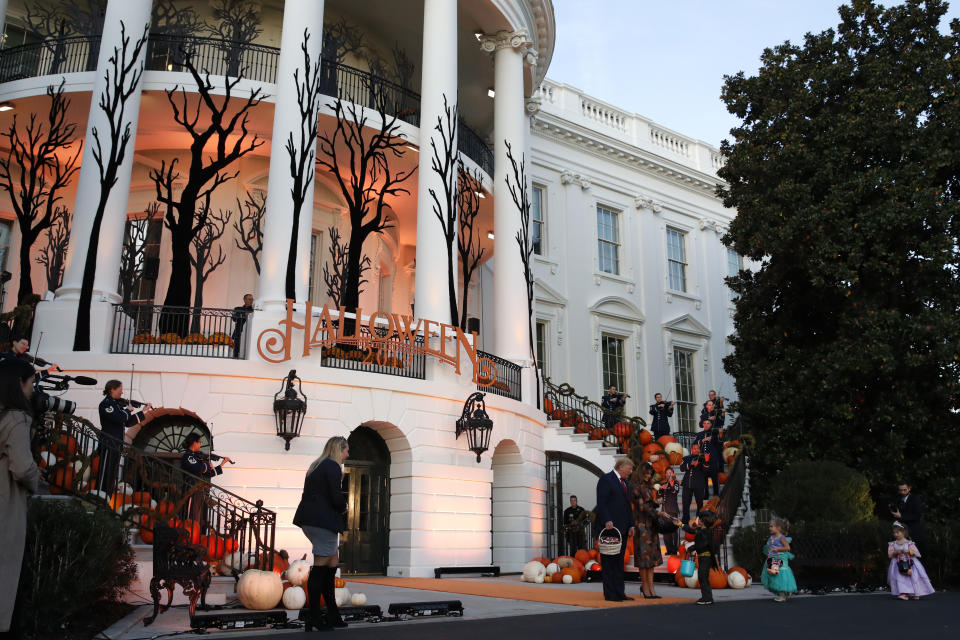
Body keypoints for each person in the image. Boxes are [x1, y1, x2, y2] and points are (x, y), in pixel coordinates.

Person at [0, 359, 41, 634]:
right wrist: (37, 478)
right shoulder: (15, 418)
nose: (32, 389)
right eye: (31, 382)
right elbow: (22, 467)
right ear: (19, 383)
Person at [293, 436, 350, 631]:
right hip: (322, 522)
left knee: (332, 562)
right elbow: (336, 497)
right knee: (321, 567)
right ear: (339, 450)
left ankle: (332, 614)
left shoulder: (316, 465)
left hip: (310, 520)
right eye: (346, 451)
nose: (347, 455)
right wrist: (345, 507)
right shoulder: (333, 466)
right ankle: (314, 618)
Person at [98, 380, 152, 495]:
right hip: (108, 443)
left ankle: (106, 496)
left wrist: (143, 412)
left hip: (116, 444)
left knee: (112, 473)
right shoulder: (107, 404)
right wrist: (128, 409)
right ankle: (100, 495)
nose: (122, 393)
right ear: (112, 389)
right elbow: (119, 418)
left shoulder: (116, 405)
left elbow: (127, 422)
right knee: (105, 472)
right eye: (120, 390)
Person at [595, 456, 636, 602]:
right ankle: (610, 594)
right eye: (629, 469)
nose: (630, 472)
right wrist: (607, 520)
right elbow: (602, 502)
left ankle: (620, 593)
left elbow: (628, 507)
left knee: (619, 563)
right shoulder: (606, 479)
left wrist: (631, 524)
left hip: (623, 529)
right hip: (611, 529)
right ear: (621, 467)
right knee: (609, 563)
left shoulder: (625, 484)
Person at [180, 433, 233, 523]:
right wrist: (207, 464)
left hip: (197, 490)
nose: (200, 445)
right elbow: (198, 468)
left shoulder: (196, 457)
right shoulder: (188, 456)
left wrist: (222, 463)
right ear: (194, 443)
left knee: (196, 516)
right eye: (199, 442)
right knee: (190, 516)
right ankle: (188, 534)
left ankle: (193, 533)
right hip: (191, 489)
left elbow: (208, 473)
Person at [630, 461, 662, 598]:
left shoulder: (648, 487)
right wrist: (658, 512)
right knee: (643, 560)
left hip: (651, 525)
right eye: (647, 473)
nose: (648, 476)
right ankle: (646, 588)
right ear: (641, 473)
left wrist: (656, 503)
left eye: (650, 474)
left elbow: (648, 504)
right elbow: (642, 507)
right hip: (641, 527)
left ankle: (651, 588)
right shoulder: (636, 487)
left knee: (651, 560)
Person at [678, 510, 720, 605]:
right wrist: (680, 524)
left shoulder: (706, 532)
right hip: (702, 557)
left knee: (702, 577)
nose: (698, 521)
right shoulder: (701, 530)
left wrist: (692, 547)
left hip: (706, 557)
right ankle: (707, 597)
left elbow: (702, 544)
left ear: (704, 521)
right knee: (703, 577)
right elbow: (691, 531)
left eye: (700, 520)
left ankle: (707, 598)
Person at [887, 521, 934, 600]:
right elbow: (890, 554)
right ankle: (904, 593)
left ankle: (916, 592)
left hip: (910, 563)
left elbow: (917, 553)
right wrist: (896, 552)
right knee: (901, 578)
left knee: (913, 578)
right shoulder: (893, 544)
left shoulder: (909, 543)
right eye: (894, 533)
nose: (895, 534)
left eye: (898, 532)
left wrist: (909, 551)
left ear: (904, 532)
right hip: (898, 564)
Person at [761, 516, 797, 602]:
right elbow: (770, 547)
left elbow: (787, 548)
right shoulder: (771, 537)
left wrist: (778, 549)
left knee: (781, 576)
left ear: (779, 528)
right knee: (773, 574)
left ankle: (783, 595)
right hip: (772, 558)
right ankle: (783, 593)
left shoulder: (781, 537)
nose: (769, 528)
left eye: (771, 526)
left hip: (780, 557)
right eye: (769, 526)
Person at [890, 482, 924, 555]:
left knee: (914, 555)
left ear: (909, 488)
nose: (902, 492)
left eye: (904, 490)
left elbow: (917, 515)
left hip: (914, 532)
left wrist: (901, 517)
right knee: (900, 555)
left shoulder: (916, 499)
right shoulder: (897, 499)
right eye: (900, 490)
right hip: (900, 533)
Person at [693, 419, 722, 496]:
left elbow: (719, 443)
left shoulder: (714, 434)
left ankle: (716, 496)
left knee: (714, 479)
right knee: (704, 479)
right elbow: (695, 444)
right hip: (703, 460)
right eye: (704, 423)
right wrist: (703, 440)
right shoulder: (699, 434)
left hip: (712, 459)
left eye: (708, 423)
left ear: (711, 425)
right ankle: (706, 495)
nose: (706, 425)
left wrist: (717, 436)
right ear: (702, 425)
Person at [680, 442, 707, 523]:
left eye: (698, 448)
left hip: (699, 484)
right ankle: (685, 521)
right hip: (687, 483)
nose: (696, 450)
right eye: (694, 449)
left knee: (700, 504)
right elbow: (681, 468)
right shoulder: (686, 458)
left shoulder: (703, 459)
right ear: (691, 450)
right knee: (685, 504)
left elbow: (706, 471)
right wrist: (690, 464)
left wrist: (706, 462)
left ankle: (698, 521)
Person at [659, 467, 681, 556]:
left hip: (673, 510)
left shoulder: (676, 483)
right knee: (665, 531)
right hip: (664, 510)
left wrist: (671, 483)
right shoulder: (663, 484)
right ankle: (668, 549)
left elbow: (675, 491)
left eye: (670, 472)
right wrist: (661, 489)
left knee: (673, 531)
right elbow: (658, 495)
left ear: (673, 474)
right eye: (667, 473)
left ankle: (674, 549)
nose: (668, 474)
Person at [231, 294, 254, 359]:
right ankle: (235, 358)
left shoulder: (253, 310)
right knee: (237, 346)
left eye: (252, 299)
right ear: (244, 300)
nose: (251, 301)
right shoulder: (238, 309)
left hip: (250, 332)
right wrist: (244, 314)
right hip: (239, 330)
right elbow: (234, 319)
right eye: (249, 299)